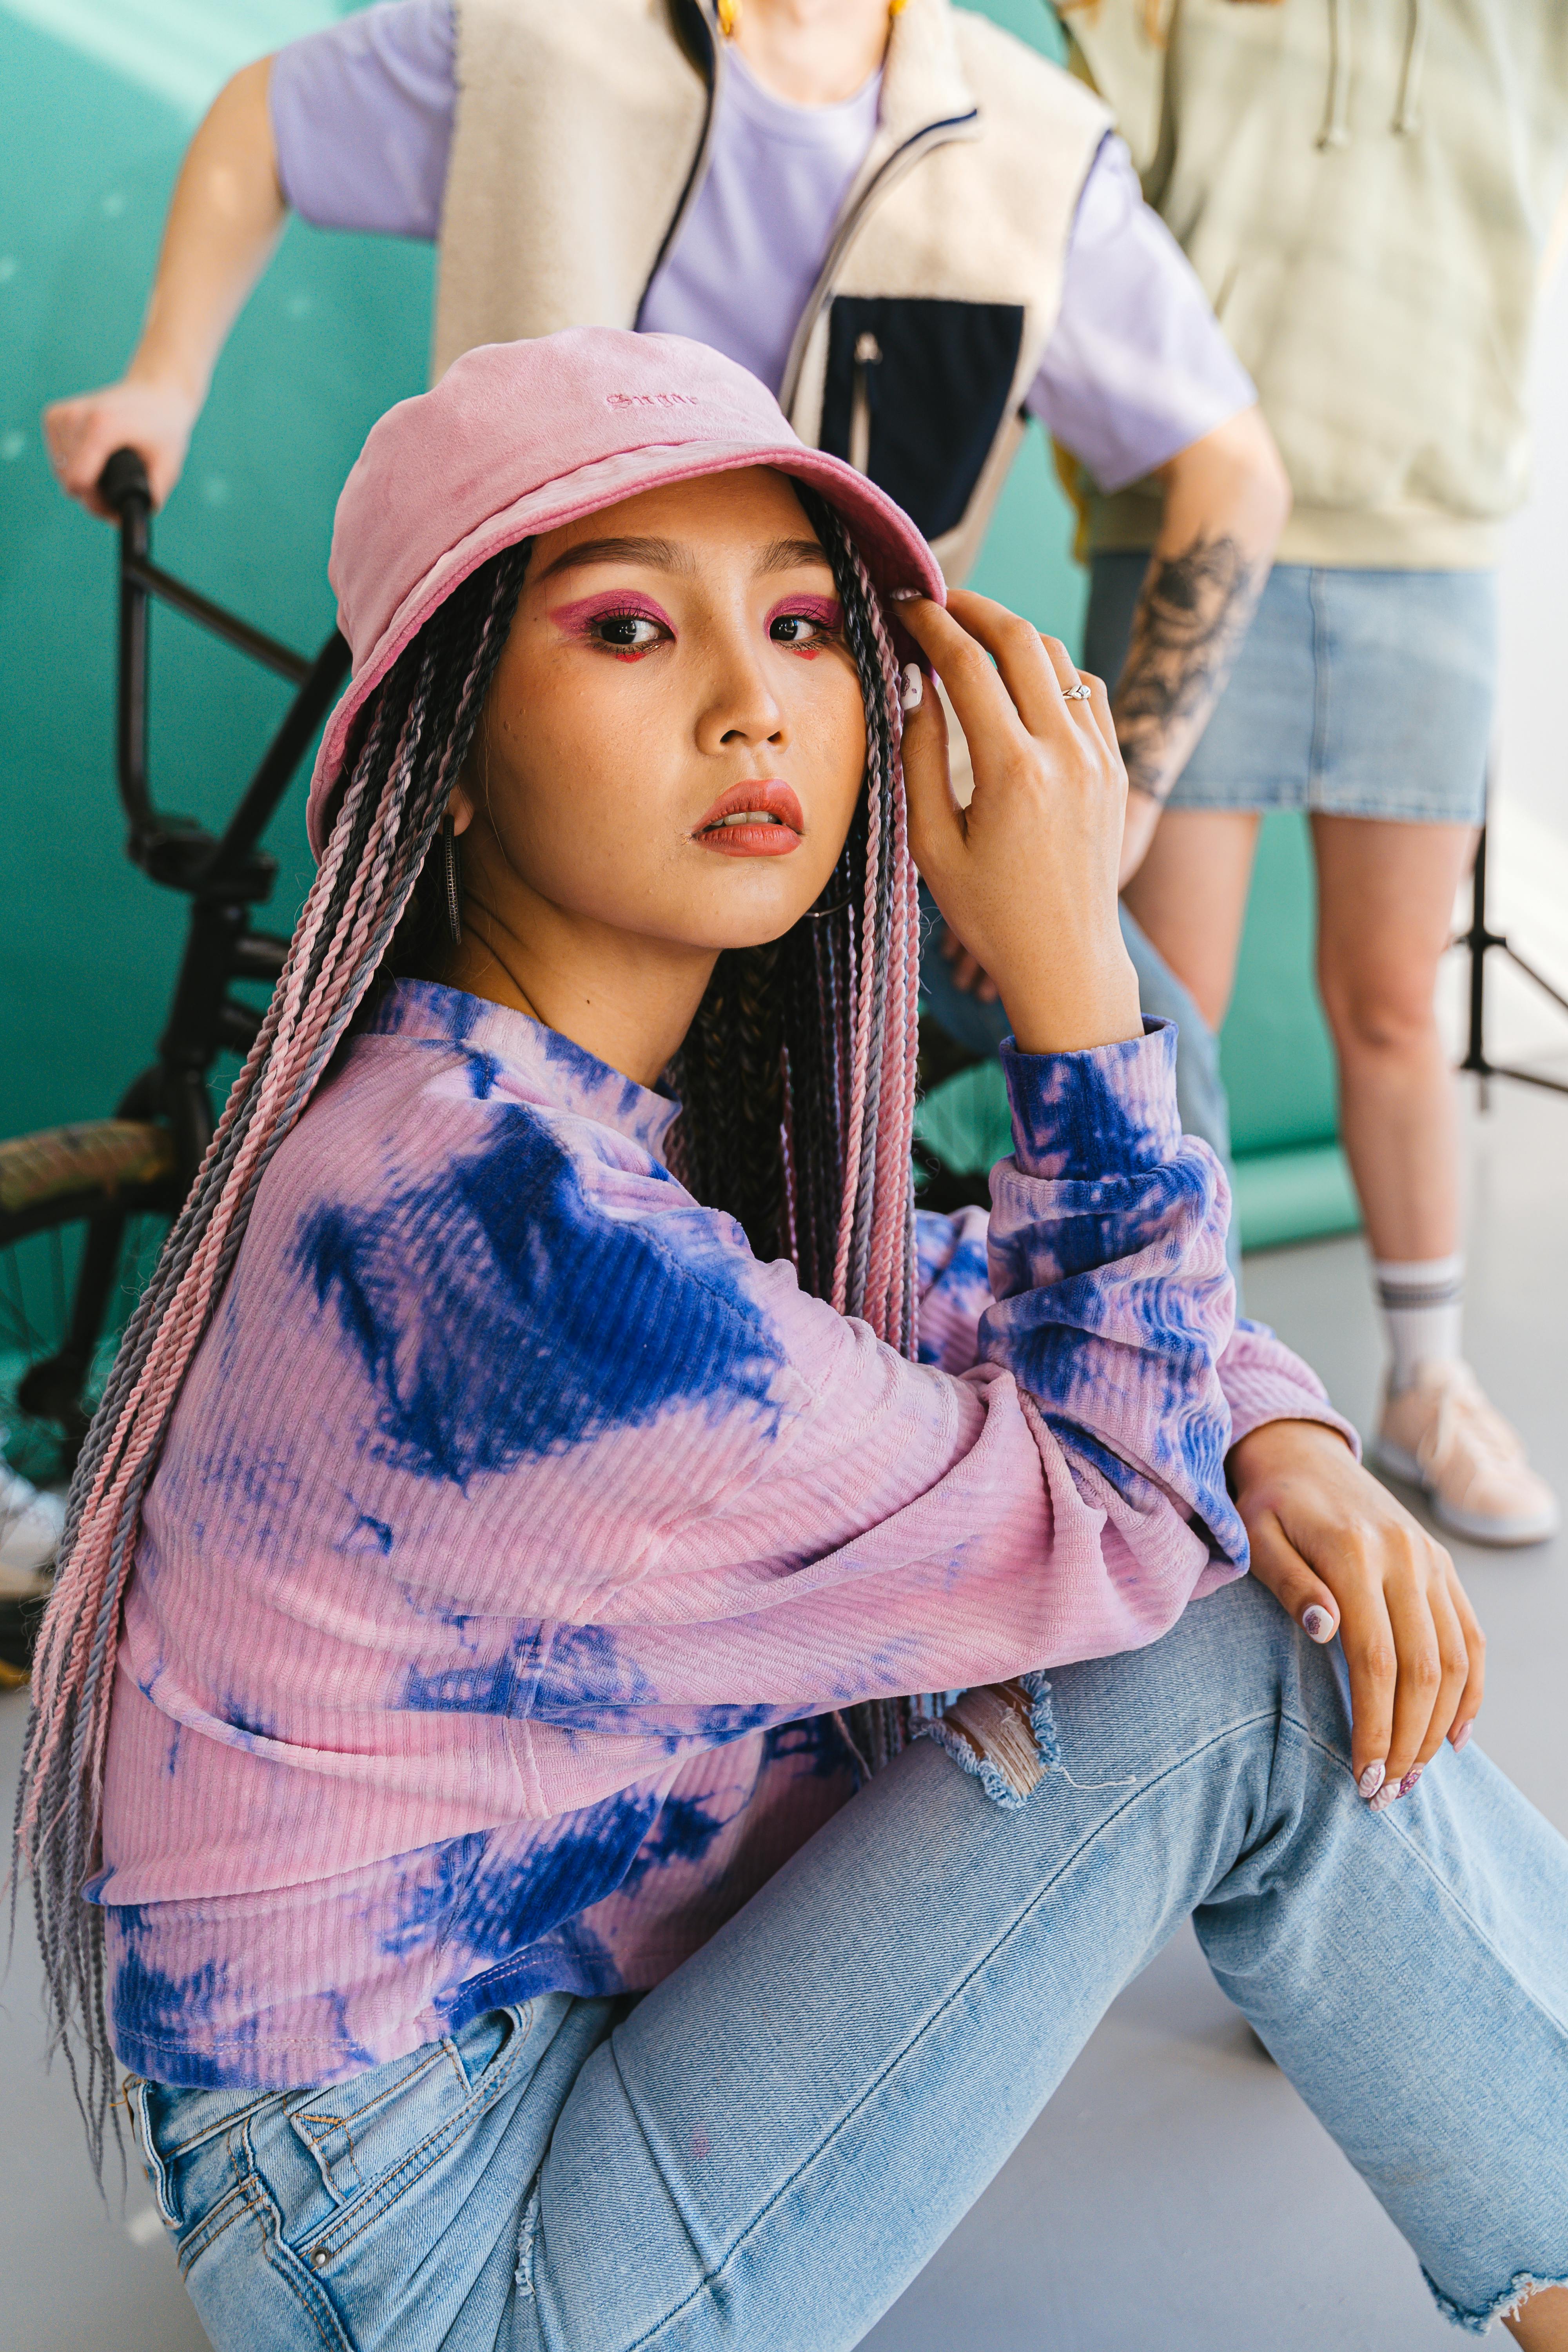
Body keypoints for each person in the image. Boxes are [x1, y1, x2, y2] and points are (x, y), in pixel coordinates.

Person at [18, 330, 1568, 2350]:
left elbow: (969, 1304)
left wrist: (1286, 1440)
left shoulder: (537, 1113)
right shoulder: (492, 1233)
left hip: (534, 2055)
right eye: (633, 629)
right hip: (431, 2258)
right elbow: (1104, 1534)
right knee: (1238, 1674)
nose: (756, 707)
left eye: (809, 629)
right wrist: (1069, 972)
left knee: (1249, 1572)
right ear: (452, 758)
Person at [41, 0, 1293, 1232]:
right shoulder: (543, 36)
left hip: (853, 782)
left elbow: (1235, 467)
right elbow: (270, 113)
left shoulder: (1038, 147)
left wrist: (1119, 811)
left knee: (1146, 1057)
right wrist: (163, 378)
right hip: (551, 757)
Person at [1050, 0, 1568, 1545]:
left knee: (1395, 999)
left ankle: (1424, 1383)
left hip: (1429, 545)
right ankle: (1178, 1398)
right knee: (1160, 1012)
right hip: (1194, 532)